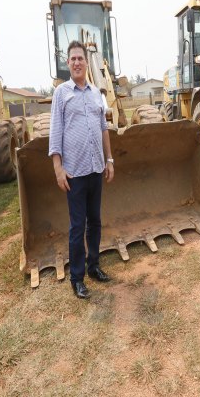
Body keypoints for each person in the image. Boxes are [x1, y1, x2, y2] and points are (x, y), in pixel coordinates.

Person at [49, 40, 115, 298]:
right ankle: (76, 278)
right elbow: (55, 132)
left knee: (95, 222)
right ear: (68, 63)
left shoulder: (95, 94)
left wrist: (109, 160)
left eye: (81, 58)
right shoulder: (61, 94)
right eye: (73, 58)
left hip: (96, 168)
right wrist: (58, 168)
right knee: (78, 226)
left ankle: (94, 266)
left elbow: (103, 129)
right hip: (74, 172)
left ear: (88, 63)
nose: (77, 62)